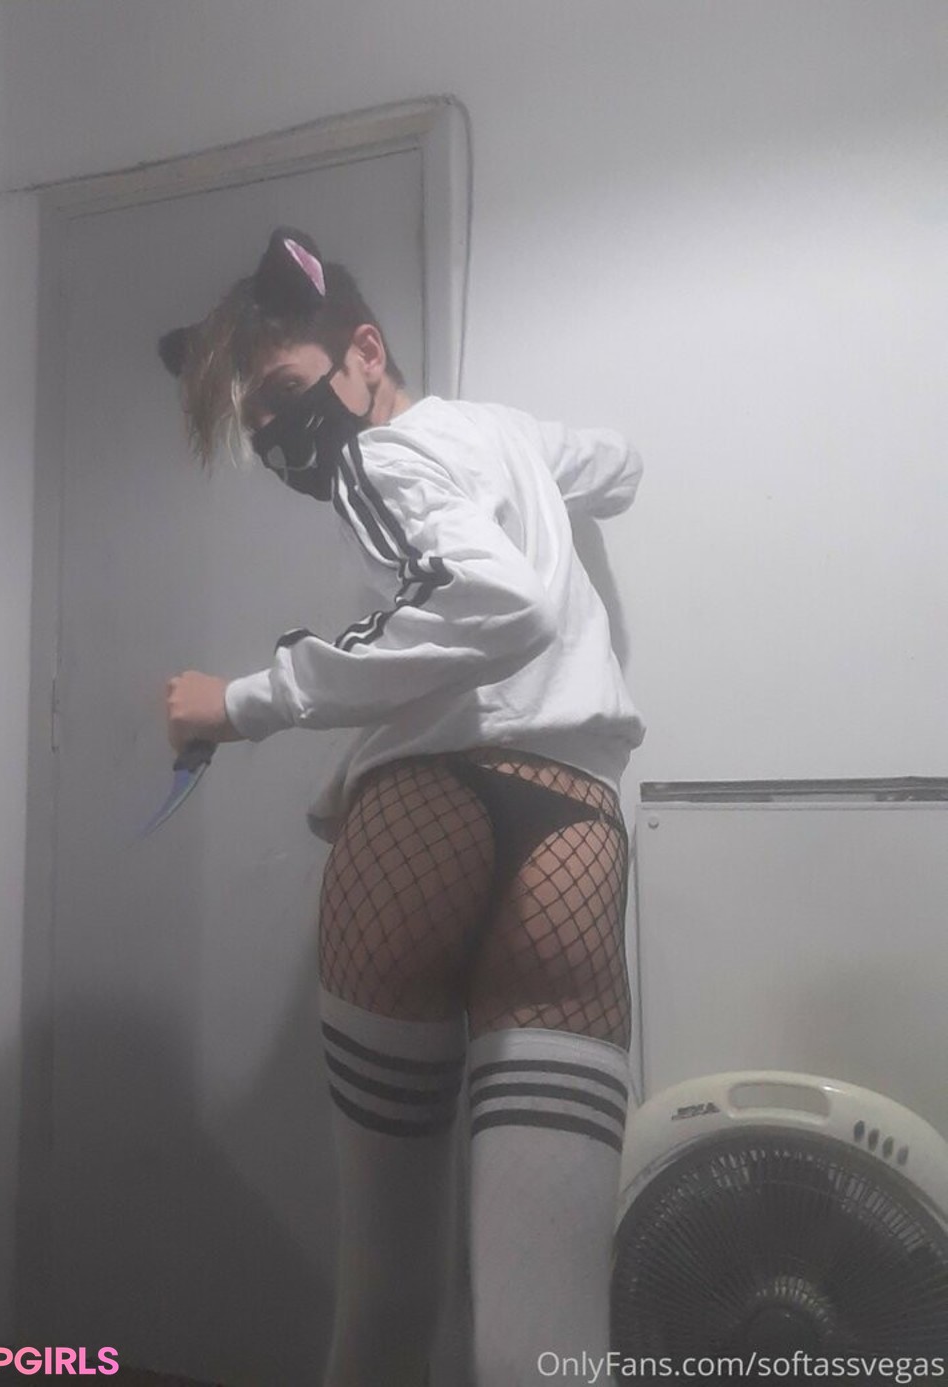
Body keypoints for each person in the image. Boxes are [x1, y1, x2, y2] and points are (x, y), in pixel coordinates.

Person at [158, 227, 645, 1387]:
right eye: (254, 421)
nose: (275, 435)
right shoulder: (497, 435)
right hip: (573, 825)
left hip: (424, 820)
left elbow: (503, 604)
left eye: (280, 393)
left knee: (386, 1303)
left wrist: (244, 701)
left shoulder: (377, 462)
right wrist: (539, 474)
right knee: (549, 1340)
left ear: (366, 354)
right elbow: (621, 466)